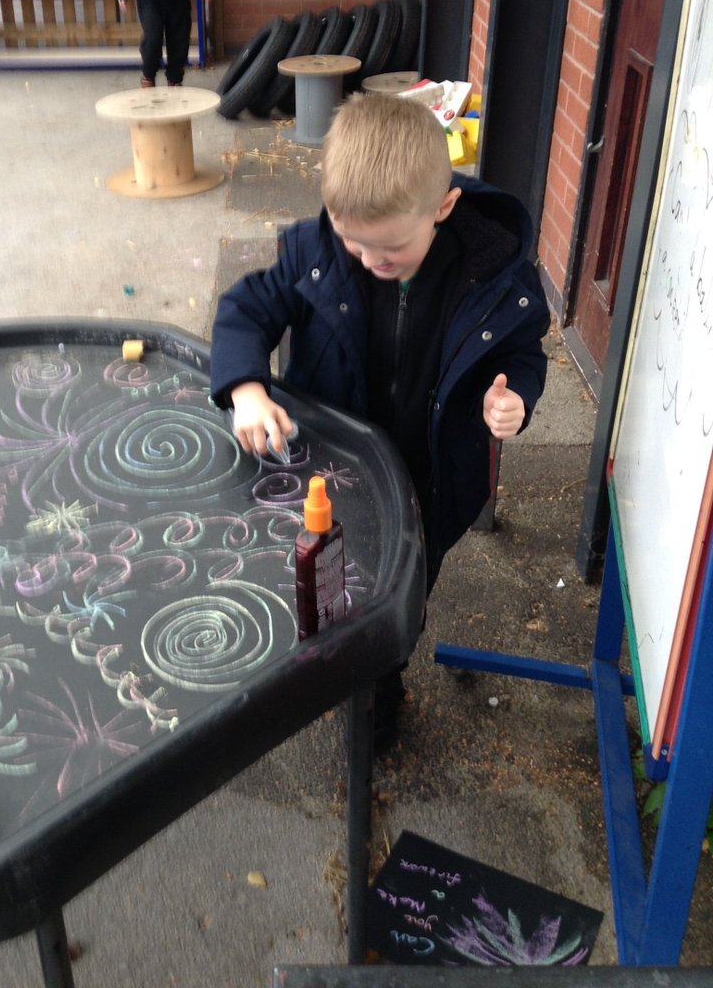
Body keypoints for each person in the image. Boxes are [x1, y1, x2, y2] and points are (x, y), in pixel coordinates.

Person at [209, 92, 550, 746]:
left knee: (402, 593)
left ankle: (382, 686)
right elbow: (246, 310)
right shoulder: (318, 251)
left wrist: (514, 400)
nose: (370, 262)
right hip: (332, 464)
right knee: (327, 572)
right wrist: (246, 390)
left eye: (391, 249)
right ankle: (327, 661)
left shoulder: (494, 276)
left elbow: (521, 353)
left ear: (443, 206)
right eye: (355, 243)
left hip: (432, 475)